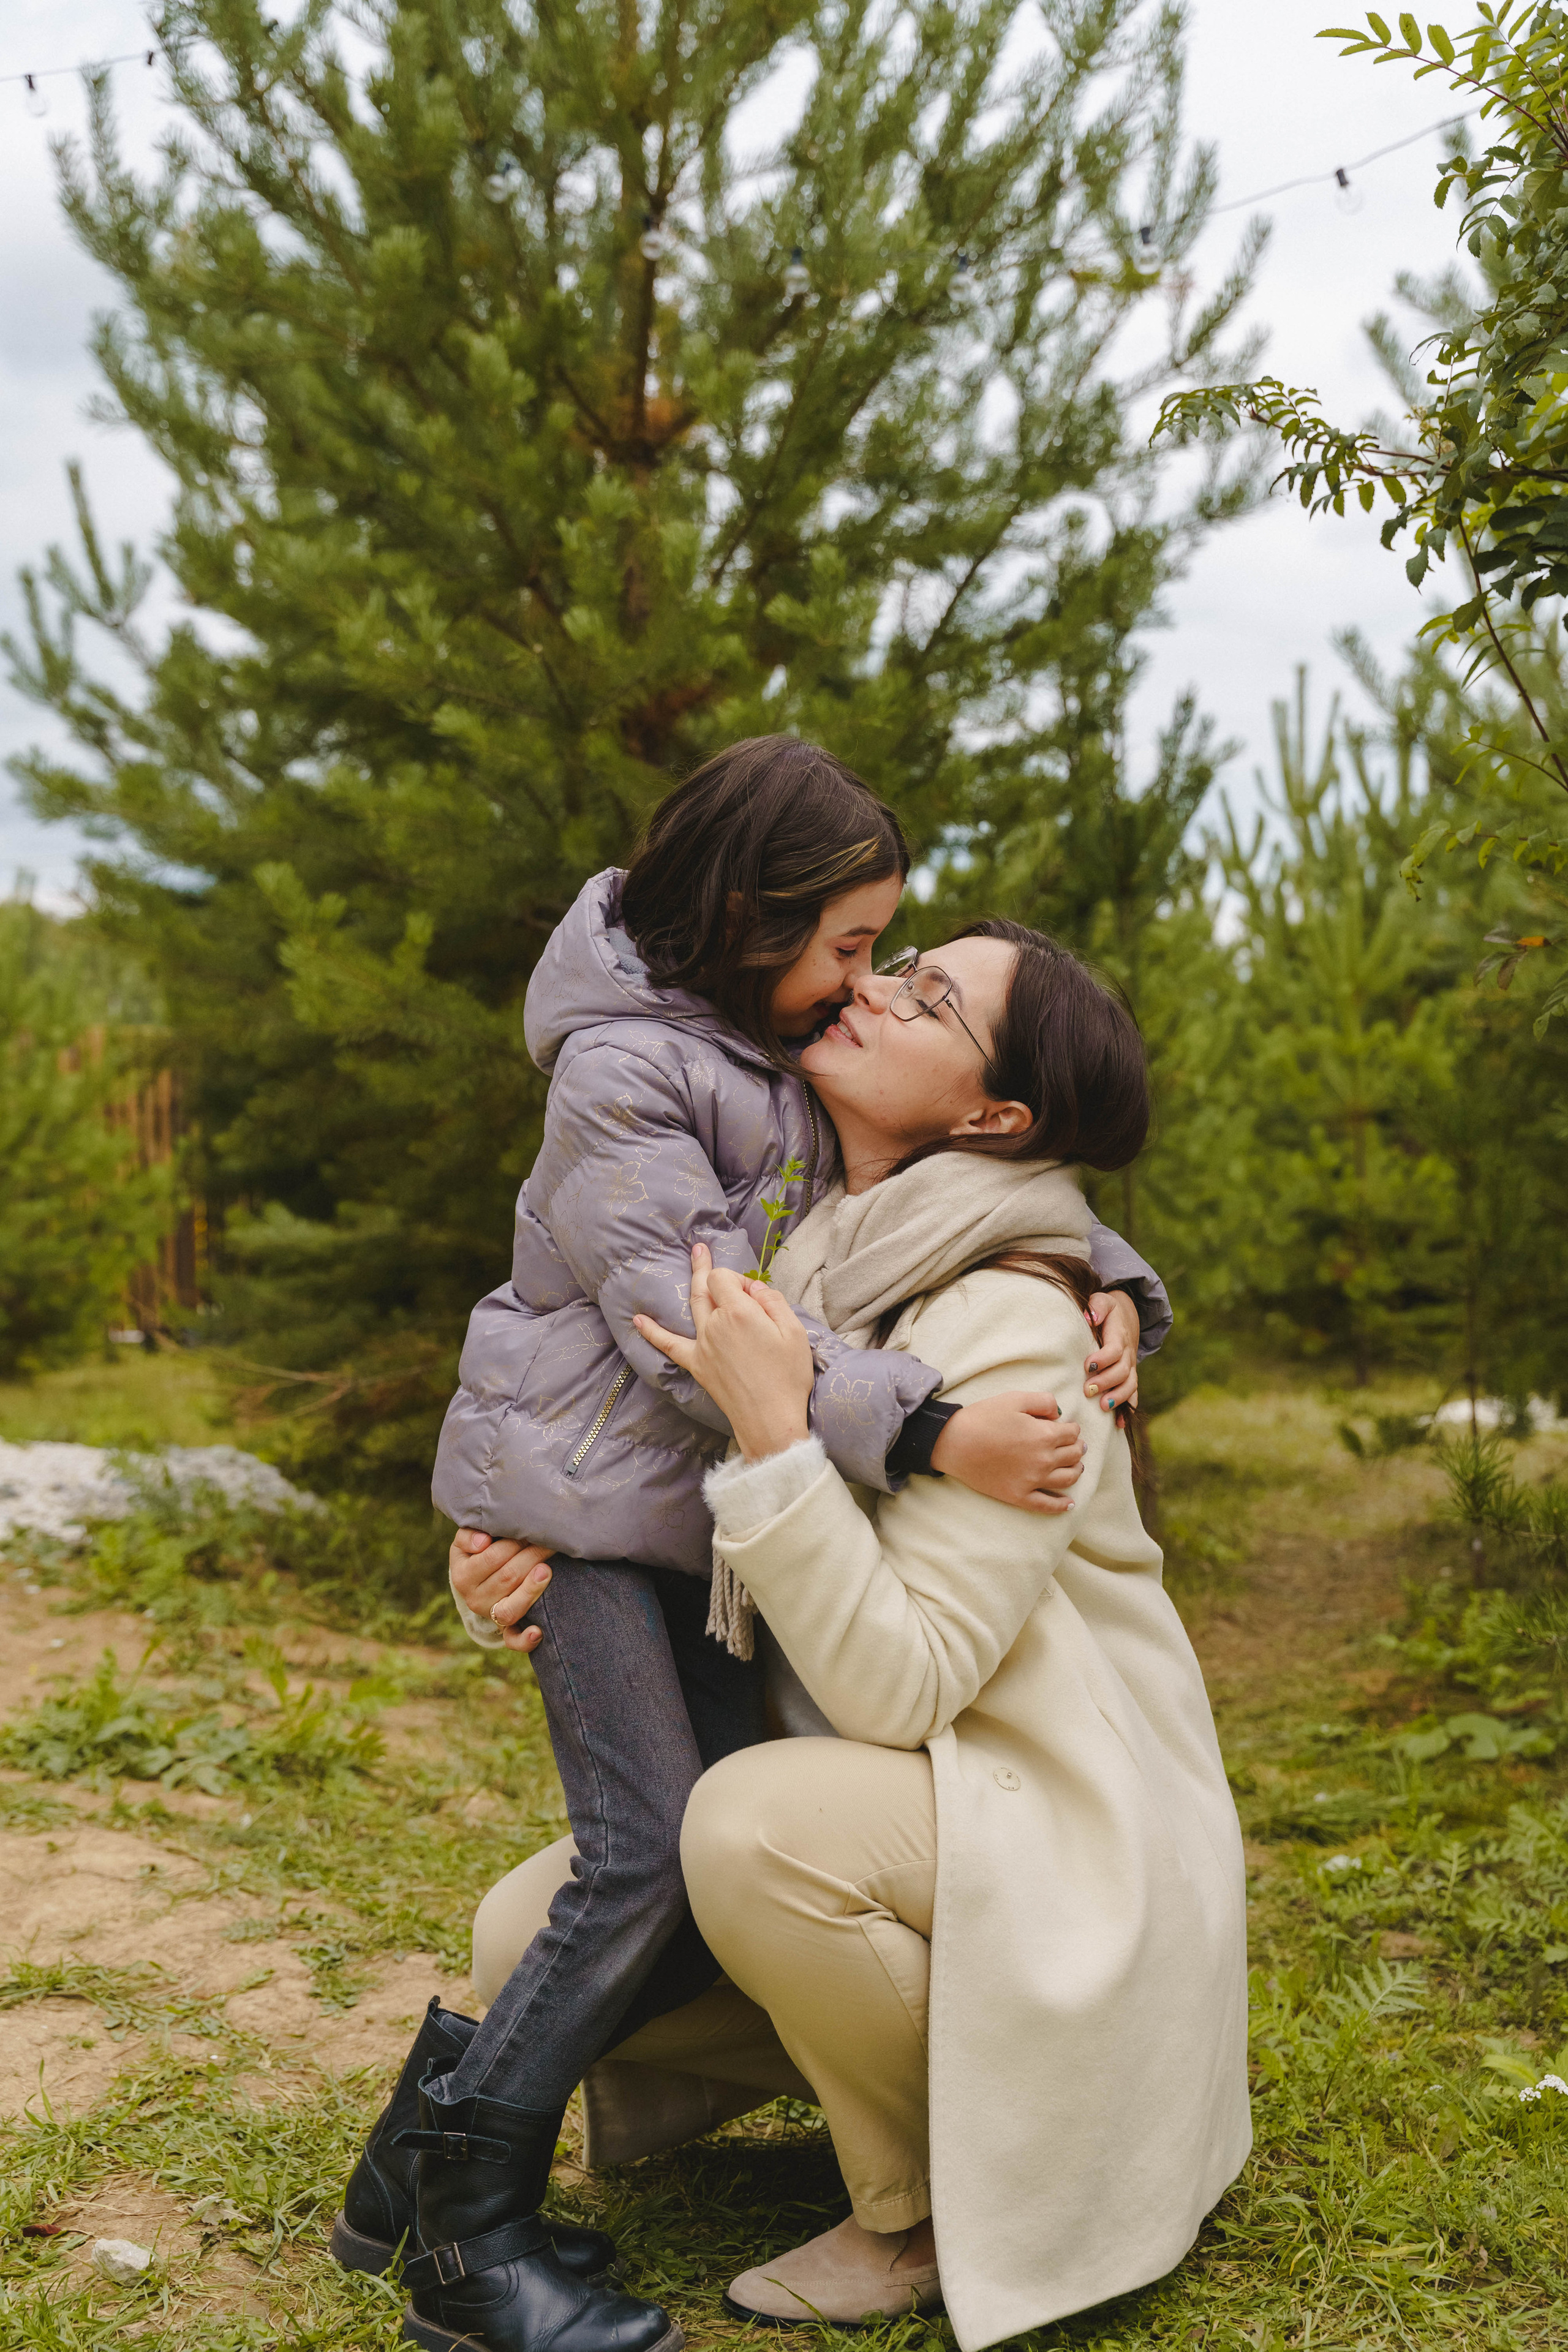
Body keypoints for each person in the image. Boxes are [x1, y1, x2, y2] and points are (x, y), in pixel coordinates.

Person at [331, 742, 1170, 2352]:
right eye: (858, 951)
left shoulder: (774, 1060)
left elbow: (1008, 1177)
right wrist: (928, 1428)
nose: (866, 986)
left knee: (686, 1857)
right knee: (635, 1866)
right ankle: (458, 2219)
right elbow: (691, 1331)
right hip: (604, 1516)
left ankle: (423, 2191)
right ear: (749, 918)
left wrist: (1115, 1283)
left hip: (979, 1774)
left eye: (902, 973)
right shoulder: (638, 1071)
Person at [481, 921, 1249, 2349]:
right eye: (893, 960)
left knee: (746, 1832)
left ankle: (925, 2214)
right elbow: (617, 1416)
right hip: (896, 1795)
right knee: (517, 1934)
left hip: (1050, 1811)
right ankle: (898, 2081)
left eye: (928, 996)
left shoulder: (1015, 1320)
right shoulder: (796, 1235)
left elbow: (903, 1687)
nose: (870, 988)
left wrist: (780, 1435)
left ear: (993, 1117)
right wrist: (521, 1556)